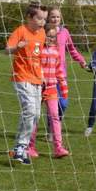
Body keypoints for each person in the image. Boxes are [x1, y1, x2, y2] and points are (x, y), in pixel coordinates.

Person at [6, 3, 48, 165]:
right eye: (39, 18)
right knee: (30, 110)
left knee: (36, 114)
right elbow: (7, 49)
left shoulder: (42, 33)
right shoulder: (20, 31)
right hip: (21, 77)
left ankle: (20, 148)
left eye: (44, 19)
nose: (42, 22)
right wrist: (17, 47)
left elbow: (38, 57)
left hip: (37, 78)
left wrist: (42, 74)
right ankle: (20, 147)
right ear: (29, 17)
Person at [27, 25, 70, 159]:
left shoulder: (56, 52)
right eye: (48, 36)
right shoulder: (38, 49)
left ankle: (58, 148)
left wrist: (63, 87)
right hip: (37, 88)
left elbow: (59, 71)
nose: (51, 38)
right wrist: (40, 76)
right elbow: (33, 64)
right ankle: (30, 147)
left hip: (52, 88)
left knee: (55, 117)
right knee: (34, 117)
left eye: (53, 36)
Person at [46, 7, 87, 140]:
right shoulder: (43, 32)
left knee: (63, 104)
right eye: (53, 16)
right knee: (51, 103)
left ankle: (55, 123)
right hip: (47, 75)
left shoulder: (65, 32)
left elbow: (72, 49)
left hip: (61, 75)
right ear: (48, 18)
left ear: (61, 18)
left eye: (57, 17)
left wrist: (81, 60)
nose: (55, 19)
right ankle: (52, 130)